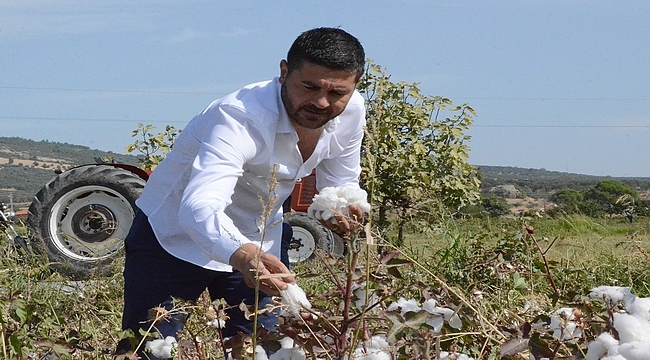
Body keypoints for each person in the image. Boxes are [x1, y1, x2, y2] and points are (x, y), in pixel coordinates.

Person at [117, 27, 367, 357]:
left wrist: (343, 209)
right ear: (283, 73)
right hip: (171, 239)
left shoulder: (350, 112)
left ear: (354, 85)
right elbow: (198, 207)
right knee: (145, 349)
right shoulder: (239, 116)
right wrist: (245, 256)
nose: (322, 102)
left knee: (262, 348)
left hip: (258, 240)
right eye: (309, 87)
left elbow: (341, 180)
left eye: (337, 92)